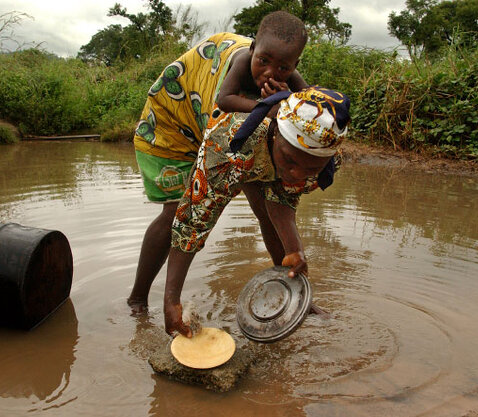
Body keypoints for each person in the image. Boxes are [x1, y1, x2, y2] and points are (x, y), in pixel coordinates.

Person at [128, 11, 309, 313]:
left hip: (226, 124)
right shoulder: (241, 63)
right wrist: (268, 107)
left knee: (266, 207)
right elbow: (224, 101)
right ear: (253, 48)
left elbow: (309, 104)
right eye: (262, 61)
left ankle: (294, 293)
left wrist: (288, 99)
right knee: (176, 210)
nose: (269, 72)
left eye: (282, 67)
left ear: (293, 66)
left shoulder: (284, 75)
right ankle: (138, 299)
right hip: (172, 120)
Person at [164, 86, 351, 337]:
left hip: (258, 153)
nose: (297, 174)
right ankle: (137, 303)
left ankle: (289, 292)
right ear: (275, 134)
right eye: (291, 160)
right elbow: (192, 221)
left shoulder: (325, 160)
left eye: (310, 168)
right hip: (184, 106)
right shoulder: (226, 147)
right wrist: (172, 300)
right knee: (171, 214)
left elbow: (280, 197)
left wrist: (295, 251)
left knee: (266, 212)